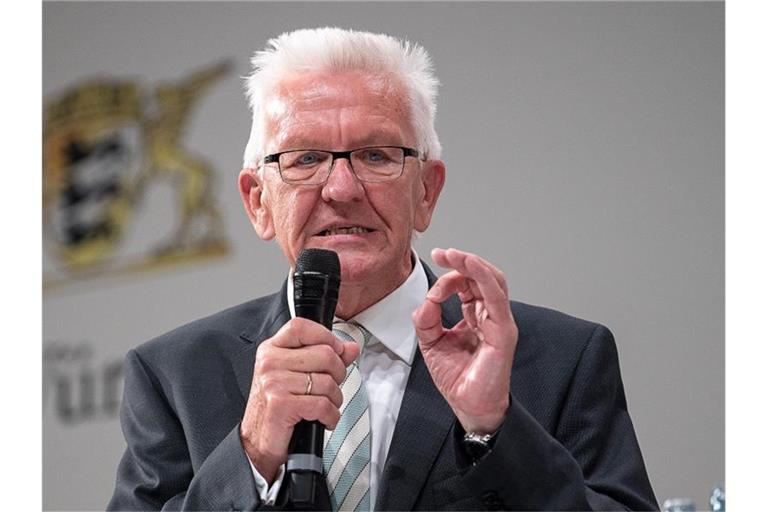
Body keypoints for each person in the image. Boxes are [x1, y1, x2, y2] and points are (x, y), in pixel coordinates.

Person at [108, 27, 658, 511]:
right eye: (304, 159)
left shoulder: (560, 360)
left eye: (376, 156)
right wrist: (250, 456)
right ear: (257, 202)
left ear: (427, 190)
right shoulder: (175, 377)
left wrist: (496, 430)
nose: (342, 189)